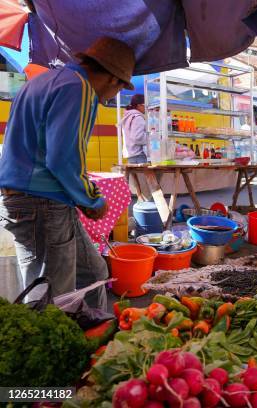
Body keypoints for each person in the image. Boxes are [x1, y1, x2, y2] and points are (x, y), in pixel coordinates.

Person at [0, 37, 136, 309]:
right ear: (113, 80)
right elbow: (63, 159)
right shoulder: (79, 88)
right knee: (51, 297)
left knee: (94, 272)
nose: (115, 95)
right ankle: (53, 349)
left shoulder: (42, 82)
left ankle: (97, 333)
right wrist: (91, 200)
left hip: (36, 201)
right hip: (43, 203)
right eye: (121, 87)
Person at [121, 94, 148, 164]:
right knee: (151, 175)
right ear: (139, 105)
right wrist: (152, 137)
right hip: (140, 155)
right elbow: (138, 138)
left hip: (132, 155)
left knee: (136, 175)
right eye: (145, 105)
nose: (147, 107)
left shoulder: (129, 116)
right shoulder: (138, 118)